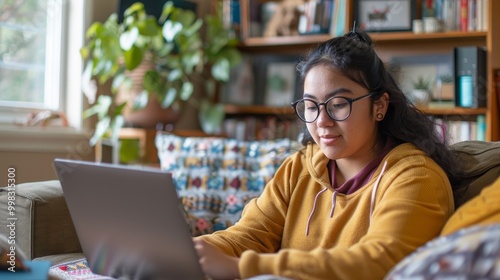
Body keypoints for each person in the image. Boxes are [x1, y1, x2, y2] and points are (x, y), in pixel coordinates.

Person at [193, 30, 463, 280]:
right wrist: (195, 251)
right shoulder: (298, 167)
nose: (322, 120)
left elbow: (379, 262)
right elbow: (248, 236)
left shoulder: (416, 177)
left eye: (338, 104)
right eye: (311, 106)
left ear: (379, 106)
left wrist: (244, 267)